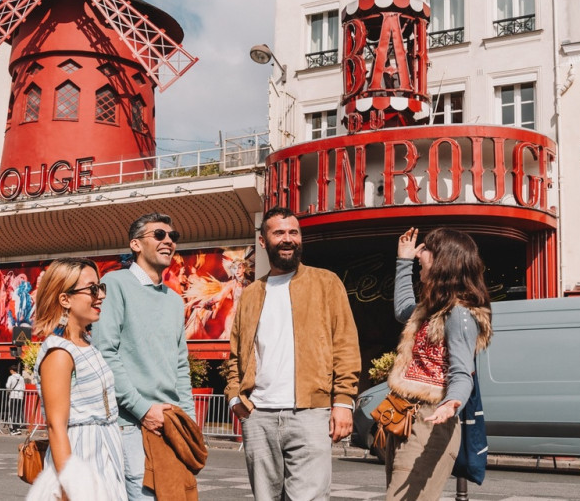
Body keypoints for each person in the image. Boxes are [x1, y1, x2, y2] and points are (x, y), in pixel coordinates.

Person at [226, 206, 362, 501]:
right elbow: (236, 353)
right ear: (263, 241)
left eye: (294, 232)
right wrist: (235, 396)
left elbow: (346, 345)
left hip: (311, 415)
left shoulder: (326, 283)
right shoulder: (251, 294)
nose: (288, 239)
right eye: (279, 233)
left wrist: (343, 402)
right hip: (258, 415)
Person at [92, 212, 195, 501]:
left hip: (172, 426)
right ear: (135, 244)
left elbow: (180, 365)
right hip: (131, 426)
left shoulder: (175, 301)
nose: (168, 241)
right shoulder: (114, 284)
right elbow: (105, 354)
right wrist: (142, 410)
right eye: (159, 235)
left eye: (172, 236)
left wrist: (190, 422)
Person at [383, 227, 493, 500]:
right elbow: (401, 310)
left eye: (426, 248)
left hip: (430, 421)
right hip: (405, 415)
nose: (420, 251)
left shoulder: (459, 315)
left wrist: (451, 402)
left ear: (443, 259)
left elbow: (462, 372)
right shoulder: (431, 308)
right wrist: (404, 261)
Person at [26, 258, 125, 500]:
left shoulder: (86, 343)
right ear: (65, 299)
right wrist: (70, 488)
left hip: (104, 456)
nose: (100, 296)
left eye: (101, 288)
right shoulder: (59, 353)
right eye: (92, 289)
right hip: (82, 456)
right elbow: (56, 427)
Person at [6, 364, 26, 434]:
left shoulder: (11, 377)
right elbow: (23, 387)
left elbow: (8, 386)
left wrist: (9, 391)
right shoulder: (21, 378)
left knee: (12, 412)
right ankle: (18, 428)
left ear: (11, 370)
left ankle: (14, 429)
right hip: (20, 397)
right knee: (18, 413)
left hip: (13, 396)